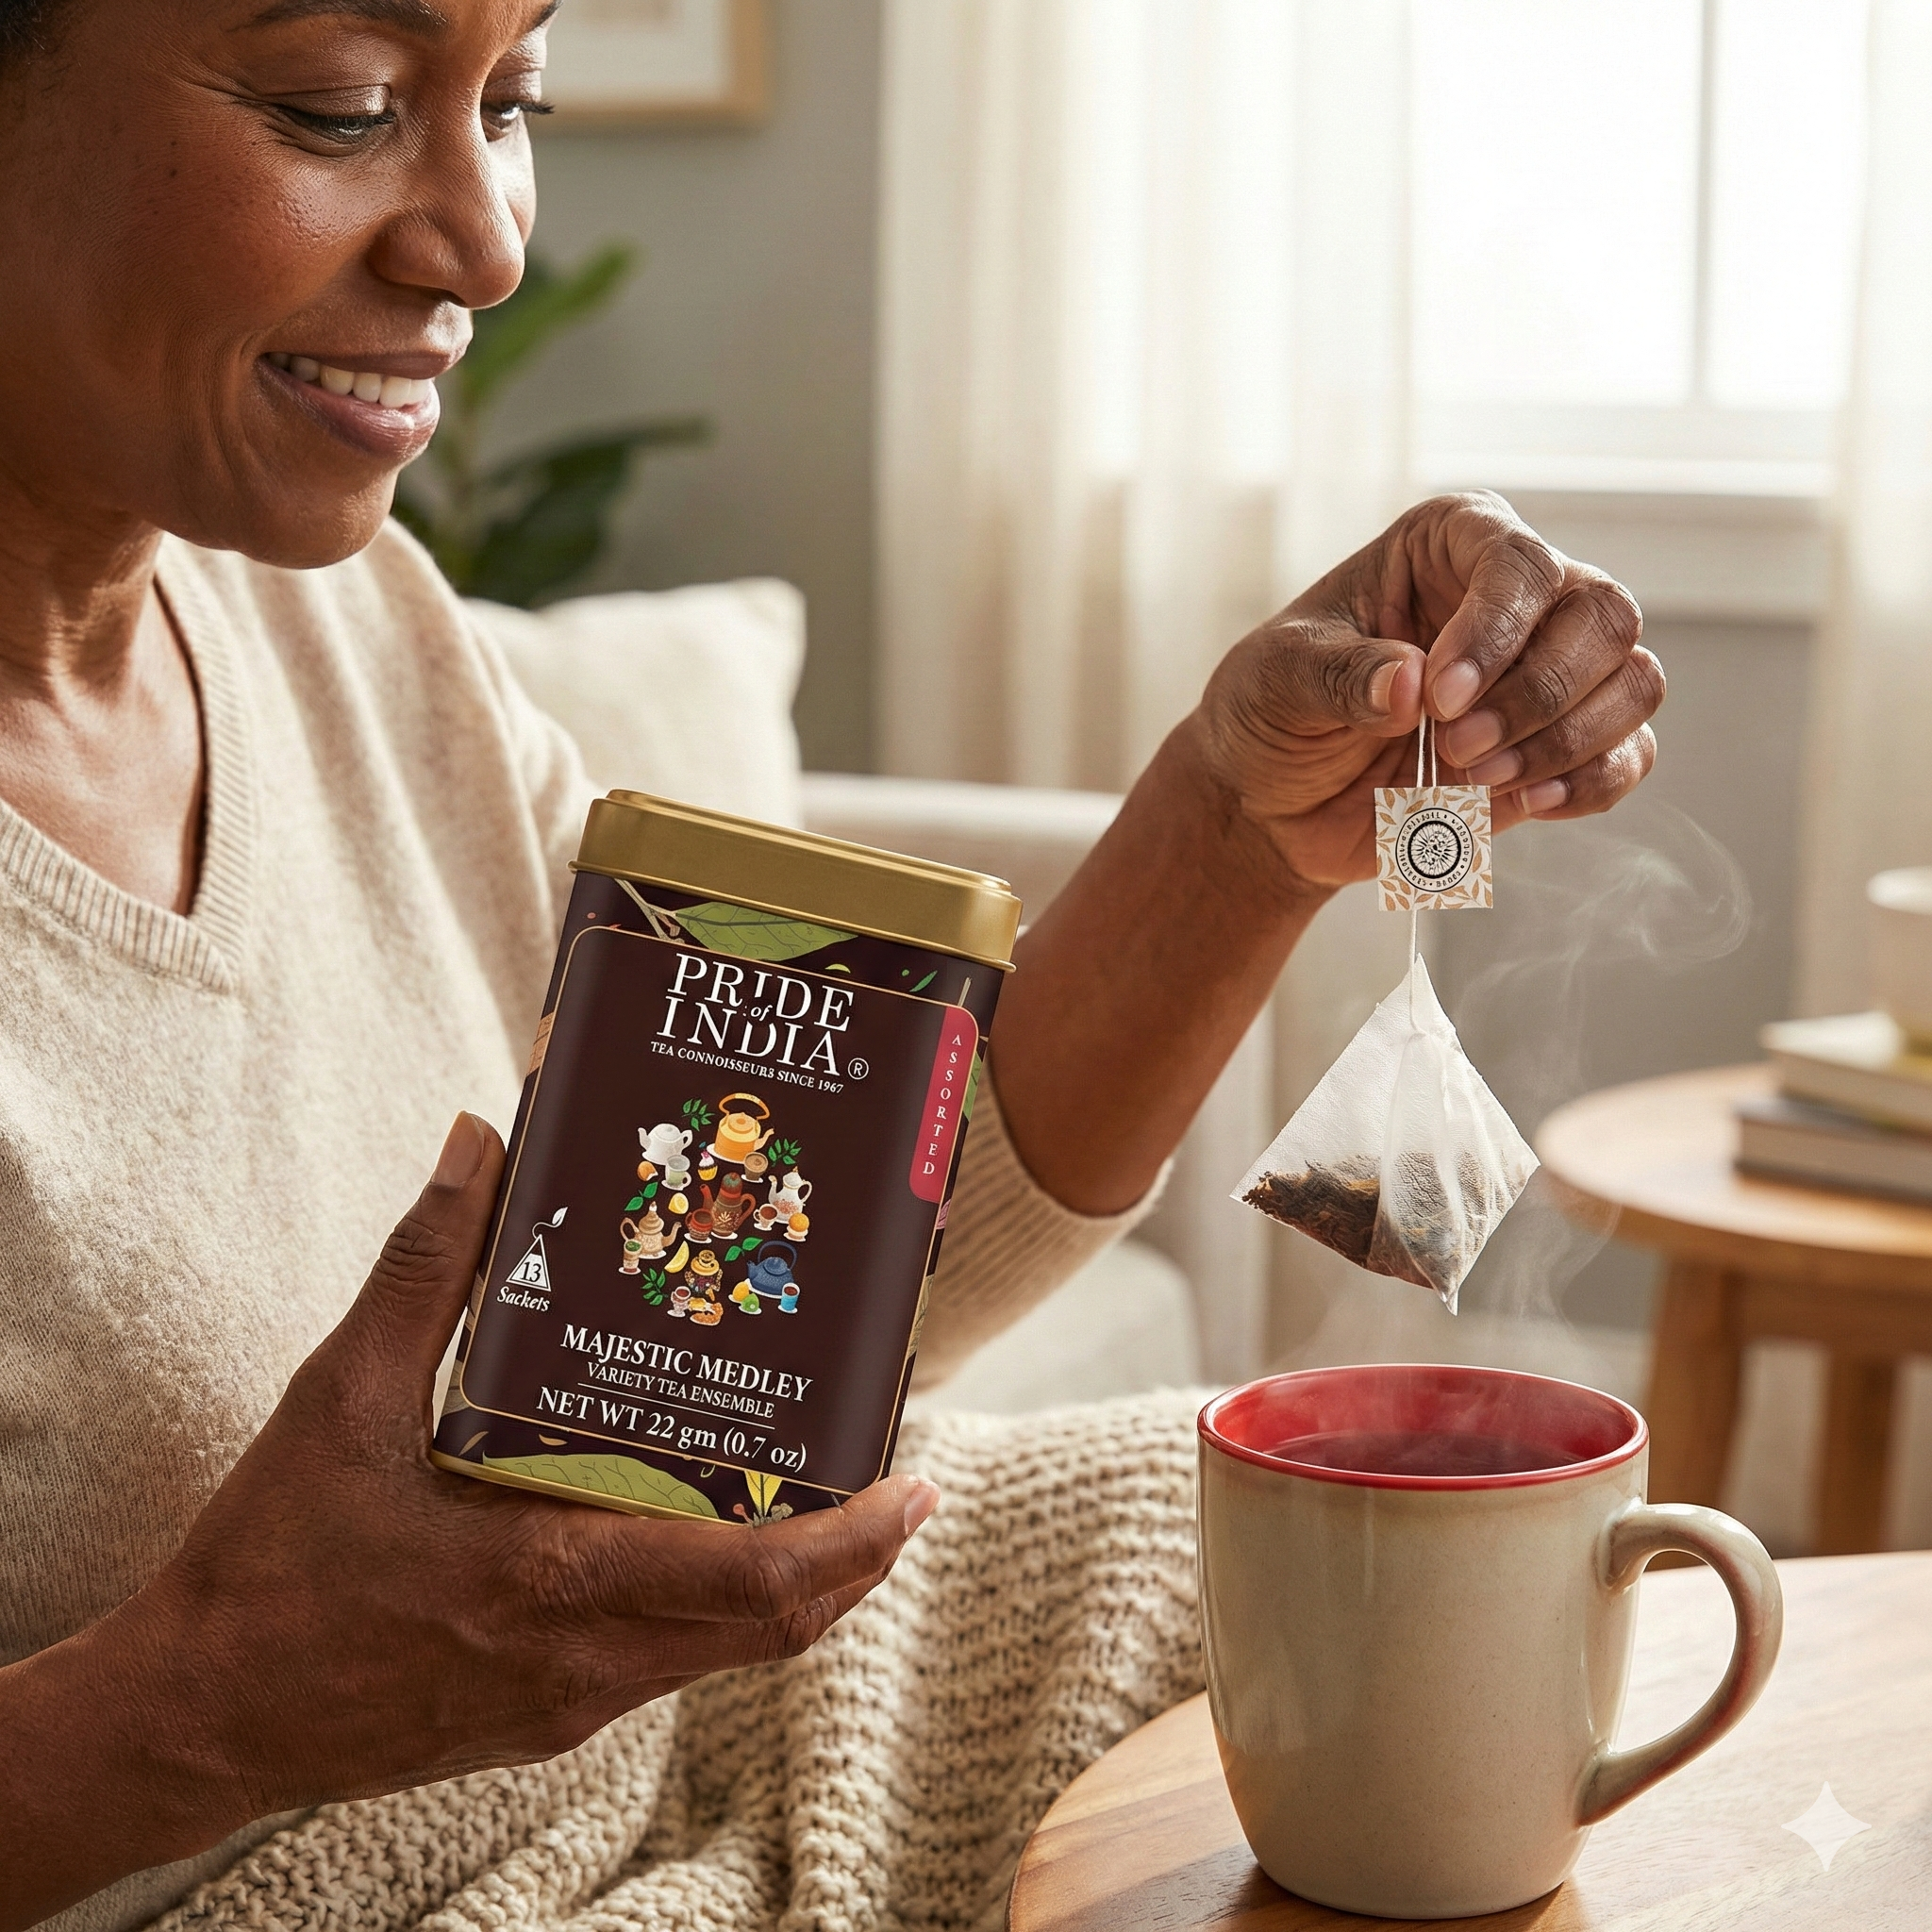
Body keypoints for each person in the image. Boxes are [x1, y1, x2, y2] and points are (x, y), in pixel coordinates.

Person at [0, 1, 1663, 1926]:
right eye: (341, 106)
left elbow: (753, 1316)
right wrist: (213, 1713)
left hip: (641, 1769)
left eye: (513, 99)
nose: (486, 245)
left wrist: (1235, 825)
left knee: (1290, 1570)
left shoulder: (356, 629)